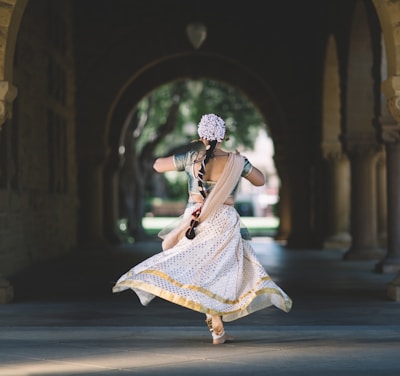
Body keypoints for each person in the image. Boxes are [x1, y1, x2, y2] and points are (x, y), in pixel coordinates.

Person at [112, 113, 292, 345]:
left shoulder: (192, 159)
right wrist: (242, 163)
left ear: (200, 136)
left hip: (195, 221)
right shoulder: (235, 161)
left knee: (199, 270)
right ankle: (219, 328)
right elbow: (260, 181)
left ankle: (217, 329)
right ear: (224, 136)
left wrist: (185, 156)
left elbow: (157, 165)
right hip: (224, 221)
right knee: (220, 271)